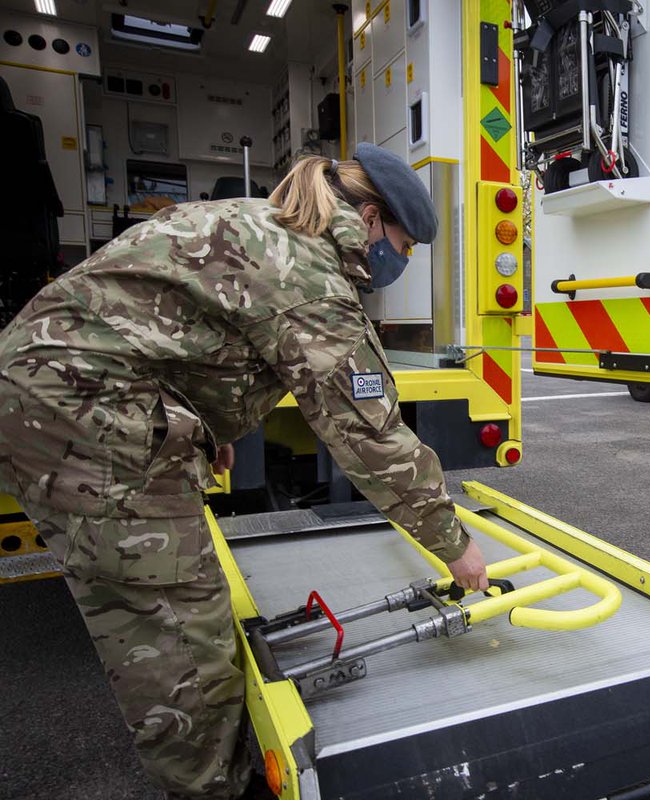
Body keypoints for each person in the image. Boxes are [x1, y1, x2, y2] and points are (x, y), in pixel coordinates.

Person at [0, 143, 490, 799]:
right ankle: (211, 786)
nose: (399, 261)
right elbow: (368, 432)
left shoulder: (265, 224)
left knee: (177, 610)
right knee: (179, 634)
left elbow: (183, 332)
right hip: (83, 417)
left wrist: (199, 429)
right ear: (369, 217)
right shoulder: (311, 276)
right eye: (402, 243)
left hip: (62, 395)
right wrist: (454, 546)